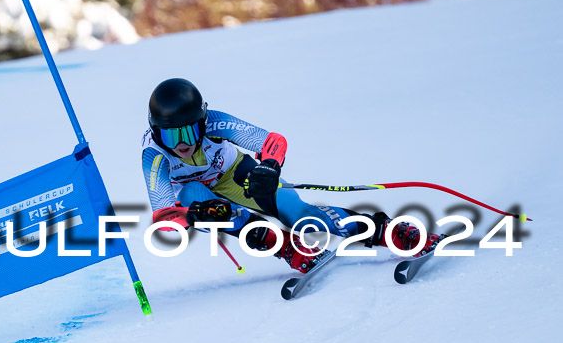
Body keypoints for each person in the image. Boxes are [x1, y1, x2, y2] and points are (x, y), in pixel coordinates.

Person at [141, 78, 441, 273]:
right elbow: (164, 217)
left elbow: (272, 141)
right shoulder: (153, 155)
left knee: (300, 214)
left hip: (232, 171)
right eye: (170, 135)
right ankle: (288, 248)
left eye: (189, 130)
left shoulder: (215, 122)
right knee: (212, 209)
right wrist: (191, 216)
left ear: (202, 121)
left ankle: (388, 232)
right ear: (156, 132)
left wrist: (269, 167)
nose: (181, 142)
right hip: (195, 193)